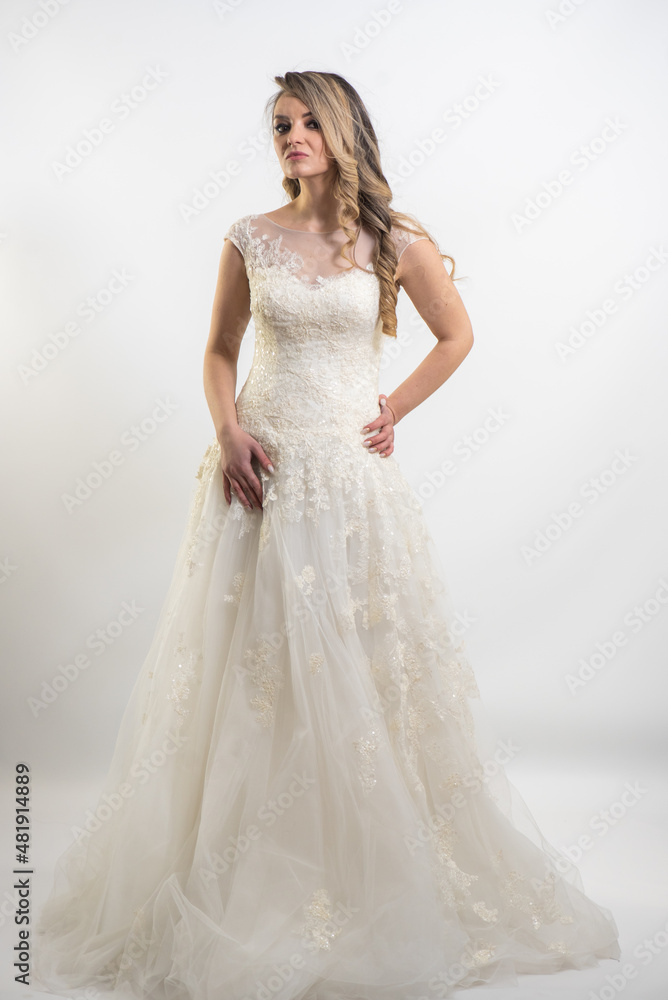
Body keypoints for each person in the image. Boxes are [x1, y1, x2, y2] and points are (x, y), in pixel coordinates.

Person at [34, 70, 620, 1000]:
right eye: (279, 126)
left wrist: (393, 407)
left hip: (350, 487)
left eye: (308, 122)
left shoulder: (393, 238)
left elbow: (456, 333)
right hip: (259, 479)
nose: (292, 137)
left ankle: (370, 878)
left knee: (362, 677)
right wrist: (226, 430)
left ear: (345, 131)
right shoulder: (248, 238)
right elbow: (220, 350)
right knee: (250, 680)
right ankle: (245, 878)